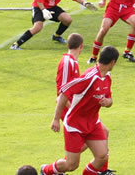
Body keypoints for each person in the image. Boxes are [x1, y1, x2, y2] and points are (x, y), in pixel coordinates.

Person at [40, 46, 119, 175]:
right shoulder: (89, 77)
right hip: (75, 125)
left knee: (102, 156)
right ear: (112, 62)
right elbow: (63, 94)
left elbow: (110, 99)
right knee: (71, 165)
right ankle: (46, 170)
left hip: (93, 123)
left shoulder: (107, 77)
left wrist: (107, 102)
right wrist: (56, 119)